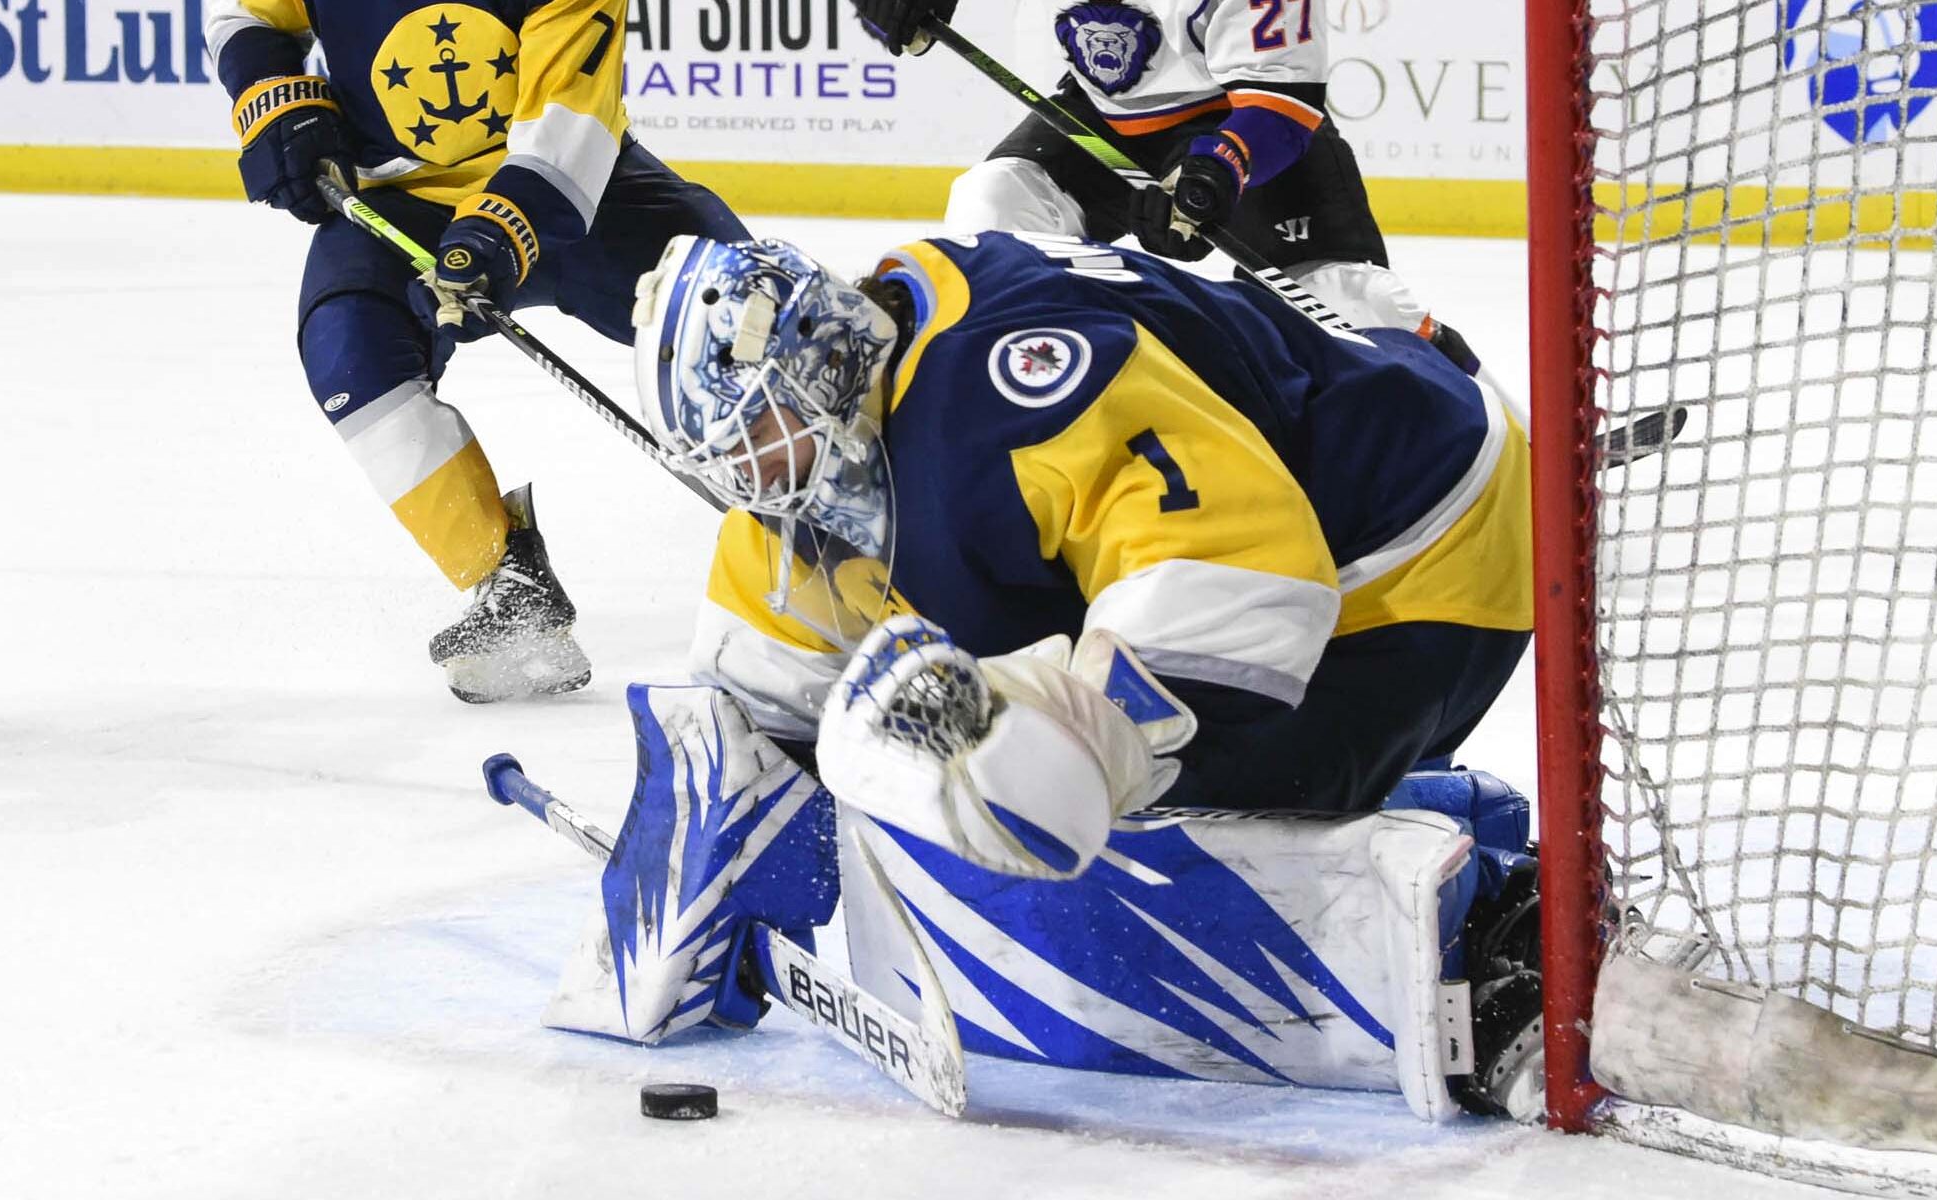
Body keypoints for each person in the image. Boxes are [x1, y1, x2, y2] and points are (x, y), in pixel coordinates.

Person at [528, 230, 1544, 1117]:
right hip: (1307, 499)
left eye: (758, 427)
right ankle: (1423, 832)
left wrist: (1074, 742)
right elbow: (751, 713)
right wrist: (691, 904)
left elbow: (1240, 579)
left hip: (1422, 528)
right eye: (728, 450)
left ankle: (1502, 944)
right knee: (1028, 784)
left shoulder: (1014, 384)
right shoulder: (839, 440)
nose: (751, 472)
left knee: (1124, 792)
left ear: (820, 362)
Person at [204, 0, 751, 701]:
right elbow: (243, 13)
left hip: (581, 194)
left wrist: (500, 229)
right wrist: (271, 93)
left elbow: (572, 117)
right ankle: (505, 579)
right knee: (349, 353)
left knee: (742, 316)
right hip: (399, 200)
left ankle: (845, 515)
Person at [848, 0, 1485, 375]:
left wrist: (1215, 172)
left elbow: (1280, 105)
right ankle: (1030, 398)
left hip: (1243, 124)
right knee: (992, 207)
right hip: (1103, 119)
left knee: (1345, 305)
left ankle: (1499, 437)